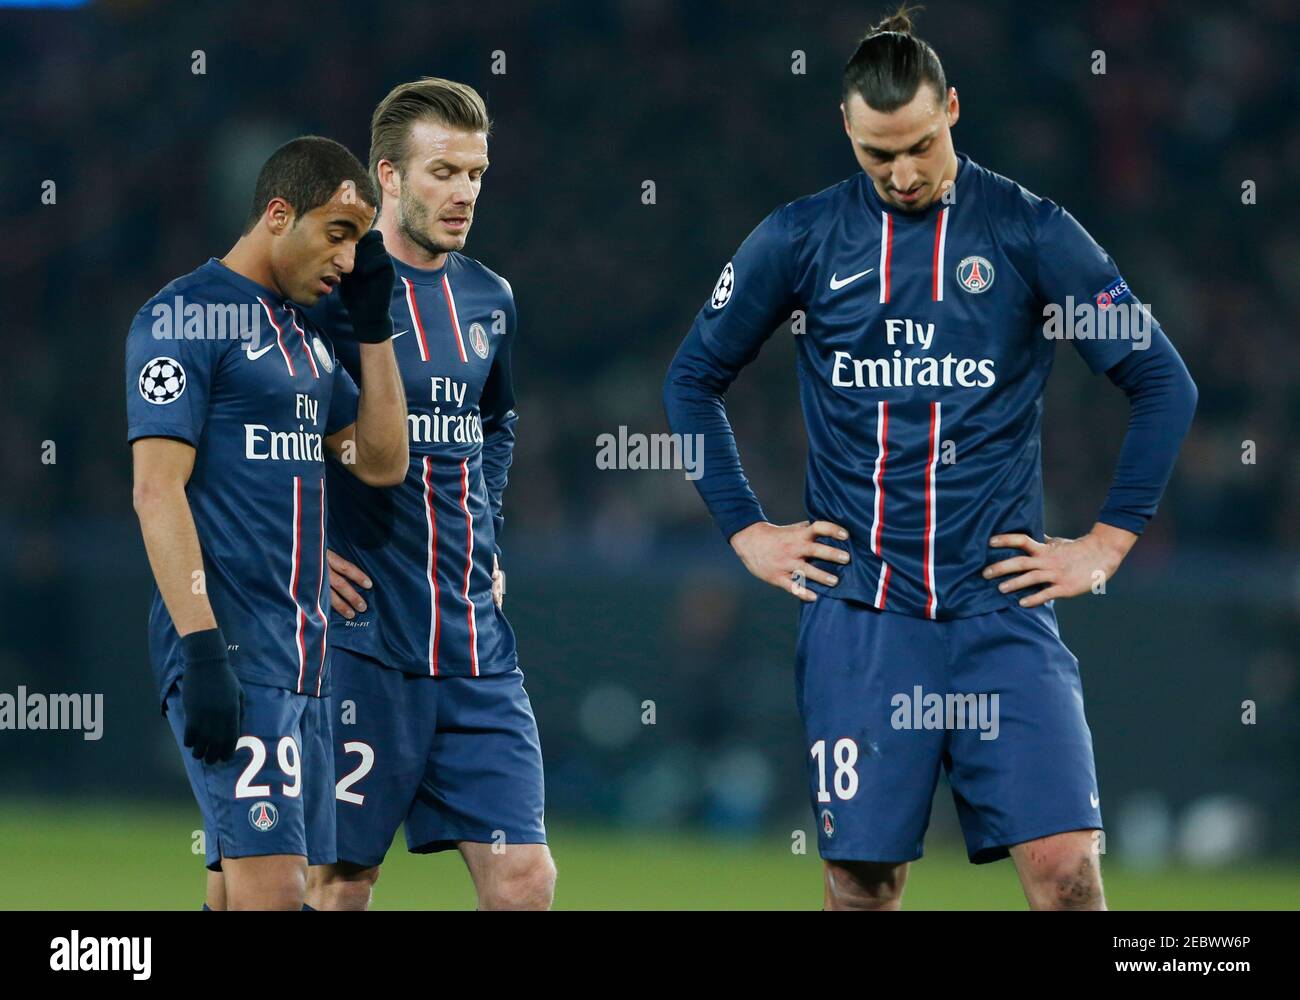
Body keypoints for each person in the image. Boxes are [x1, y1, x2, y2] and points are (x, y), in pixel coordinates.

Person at [663, 7, 1198, 910]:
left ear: (953, 107)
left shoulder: (1030, 232)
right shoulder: (800, 239)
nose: (903, 174)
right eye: (879, 154)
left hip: (1001, 612)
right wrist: (747, 531)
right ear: (846, 129)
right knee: (863, 886)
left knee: (1069, 875)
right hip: (863, 618)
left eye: (918, 144)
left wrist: (1107, 543)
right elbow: (691, 379)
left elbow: (1162, 381)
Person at [128, 136, 408, 910]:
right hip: (234, 650)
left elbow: (381, 460)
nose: (348, 261)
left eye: (358, 242)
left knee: (238, 891)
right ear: (279, 215)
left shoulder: (307, 341)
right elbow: (157, 492)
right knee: (276, 893)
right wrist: (202, 648)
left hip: (304, 658)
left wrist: (376, 330)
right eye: (338, 233)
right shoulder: (183, 317)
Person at [305, 79, 554, 911]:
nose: (465, 193)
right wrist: (298, 553)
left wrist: (487, 532)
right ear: (390, 176)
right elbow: (261, 434)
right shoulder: (326, 297)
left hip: (475, 642)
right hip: (362, 637)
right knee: (341, 884)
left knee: (524, 881)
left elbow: (498, 422)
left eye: (476, 174)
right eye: (444, 172)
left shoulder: (491, 297)